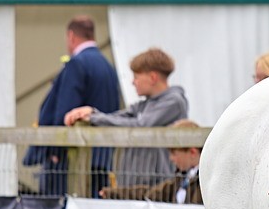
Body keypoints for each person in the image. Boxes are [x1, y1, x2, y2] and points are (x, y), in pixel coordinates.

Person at [22, 16, 121, 196]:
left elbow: (65, 110)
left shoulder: (77, 64)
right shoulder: (108, 67)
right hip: (101, 158)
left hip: (71, 159)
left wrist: (55, 149)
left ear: (71, 36)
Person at [65, 47, 189, 189]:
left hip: (157, 186)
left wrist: (95, 118)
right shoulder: (144, 105)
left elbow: (141, 124)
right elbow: (121, 116)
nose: (132, 82)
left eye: (136, 77)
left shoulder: (174, 102)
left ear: (153, 77)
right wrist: (91, 113)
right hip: (133, 184)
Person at [99, 145, 202, 204]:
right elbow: (149, 193)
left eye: (174, 153)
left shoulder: (204, 182)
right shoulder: (181, 179)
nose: (171, 159)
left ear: (192, 152)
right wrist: (114, 193)